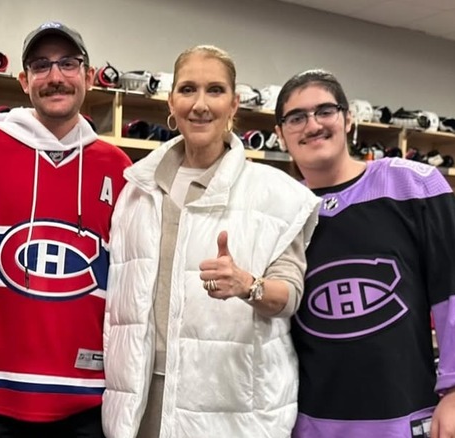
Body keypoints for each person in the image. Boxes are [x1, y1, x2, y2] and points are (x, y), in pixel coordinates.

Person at [101, 45, 321, 438]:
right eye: (188, 89)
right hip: (141, 399)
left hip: (231, 406)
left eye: (215, 90)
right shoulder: (136, 190)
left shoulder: (276, 196)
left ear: (234, 104)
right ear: (171, 101)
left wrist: (247, 286)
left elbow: (289, 296)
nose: (200, 104)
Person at [273, 69, 455, 438]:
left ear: (348, 120)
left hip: (404, 416)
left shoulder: (412, 185)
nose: (312, 125)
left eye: (324, 111)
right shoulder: (279, 209)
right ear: (281, 134)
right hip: (309, 421)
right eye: (296, 117)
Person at [0, 21, 132, 437]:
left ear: (89, 75)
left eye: (68, 63)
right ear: (24, 80)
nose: (56, 77)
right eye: (41, 66)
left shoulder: (118, 168)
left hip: (87, 391)